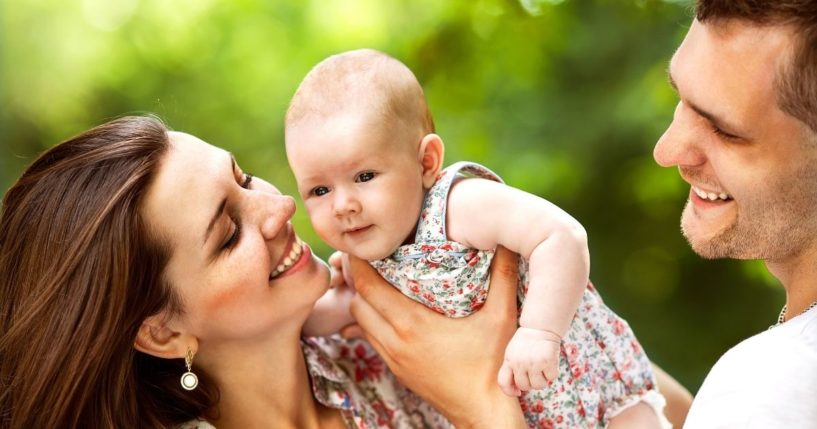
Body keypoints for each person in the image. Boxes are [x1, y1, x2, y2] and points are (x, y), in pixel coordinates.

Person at [0, 115, 530, 428]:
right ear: (162, 331)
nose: (279, 208)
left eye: (245, 179)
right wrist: (485, 407)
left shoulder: (395, 340)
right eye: (229, 234)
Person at [284, 49, 668, 428]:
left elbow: (561, 236)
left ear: (426, 162)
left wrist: (539, 332)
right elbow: (340, 311)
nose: (343, 206)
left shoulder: (459, 205)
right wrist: (289, 320)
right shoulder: (365, 261)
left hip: (596, 390)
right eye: (320, 191)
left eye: (365, 176)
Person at [652, 0, 817, 427]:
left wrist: (477, 404)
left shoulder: (776, 381)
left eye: (725, 131)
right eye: (681, 100)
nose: (666, 151)